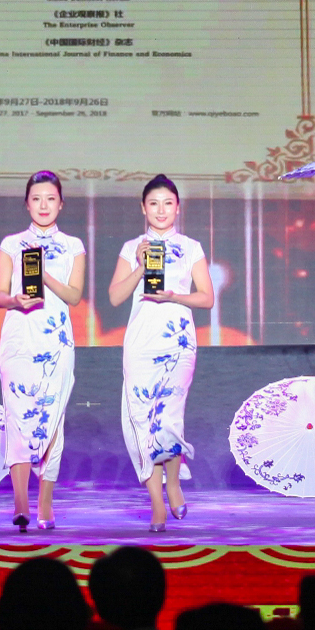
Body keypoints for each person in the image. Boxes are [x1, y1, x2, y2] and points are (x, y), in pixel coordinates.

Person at [107, 175, 212, 534]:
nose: (161, 210)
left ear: (177, 207)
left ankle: (174, 483)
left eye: (168, 203)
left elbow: (207, 297)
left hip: (178, 342)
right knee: (142, 421)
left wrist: (174, 296)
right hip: (141, 343)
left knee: (169, 419)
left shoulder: (191, 247)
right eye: (154, 203)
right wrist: (139, 265)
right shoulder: (131, 247)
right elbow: (115, 297)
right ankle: (156, 503)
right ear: (143, 208)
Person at [0, 170, 84, 534]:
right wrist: (14, 299)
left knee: (52, 419)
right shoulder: (11, 244)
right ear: (26, 203)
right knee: (18, 416)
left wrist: (45, 275)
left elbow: (74, 296)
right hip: (19, 337)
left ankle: (45, 501)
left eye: (50, 199)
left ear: (61, 203)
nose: (43, 205)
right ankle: (20, 502)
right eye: (36, 199)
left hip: (55, 341)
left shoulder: (73, 245)